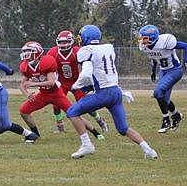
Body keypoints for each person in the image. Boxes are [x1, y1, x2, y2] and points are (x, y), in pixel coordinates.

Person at [66, 25, 158, 159]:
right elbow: (102, 73)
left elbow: (86, 73)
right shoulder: (108, 48)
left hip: (104, 93)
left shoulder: (85, 50)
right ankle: (149, 150)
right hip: (115, 92)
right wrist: (90, 87)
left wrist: (76, 86)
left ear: (85, 38)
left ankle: (87, 145)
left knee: (72, 112)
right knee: (123, 128)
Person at [46, 30, 109, 133]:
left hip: (76, 82)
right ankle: (59, 125)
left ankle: (100, 120)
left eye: (65, 42)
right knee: (56, 103)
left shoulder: (77, 51)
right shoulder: (53, 52)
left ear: (71, 42)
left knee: (86, 105)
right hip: (61, 82)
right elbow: (48, 66)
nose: (63, 44)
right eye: (61, 42)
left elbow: (88, 65)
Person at [138, 25, 187, 133]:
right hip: (163, 70)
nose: (142, 41)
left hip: (174, 70)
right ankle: (176, 116)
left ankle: (166, 120)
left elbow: (186, 46)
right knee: (164, 99)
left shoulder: (166, 41)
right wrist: (153, 70)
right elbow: (154, 57)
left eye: (145, 38)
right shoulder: (145, 46)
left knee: (157, 92)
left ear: (153, 38)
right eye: (142, 38)